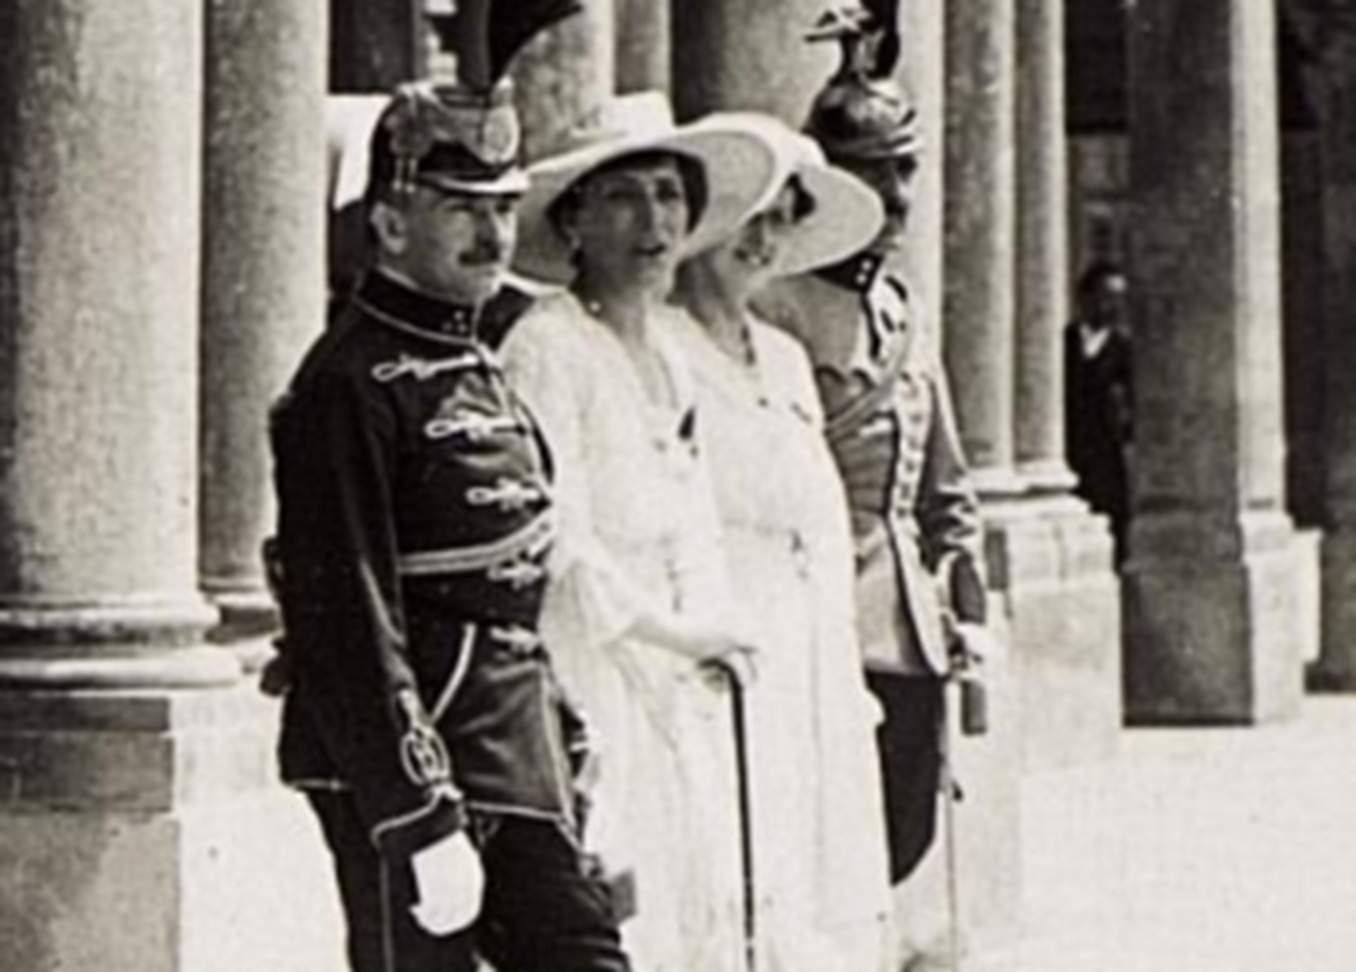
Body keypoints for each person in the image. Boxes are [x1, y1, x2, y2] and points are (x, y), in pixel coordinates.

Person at [267, 69, 630, 972]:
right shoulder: (346, 384)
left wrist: (562, 731)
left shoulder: (477, 355)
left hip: (510, 746)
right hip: (403, 756)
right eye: (460, 208)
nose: (492, 232)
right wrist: (418, 814)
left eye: (502, 208)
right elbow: (348, 614)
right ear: (389, 224)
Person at [498, 92, 778, 972]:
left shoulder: (666, 345)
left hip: (679, 677)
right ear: (575, 220)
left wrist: (712, 628)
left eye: (667, 195)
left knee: (703, 892)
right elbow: (559, 543)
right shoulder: (546, 348)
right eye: (623, 197)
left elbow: (694, 518)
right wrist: (677, 632)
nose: (653, 220)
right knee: (617, 907)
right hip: (591, 671)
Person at [754, 6, 991, 967]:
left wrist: (965, 595)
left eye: (907, 167)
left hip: (911, 634)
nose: (895, 193)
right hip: (817, 626)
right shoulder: (777, 307)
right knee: (825, 870)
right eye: (874, 170)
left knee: (903, 841)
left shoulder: (899, 301)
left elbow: (945, 483)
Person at [671, 113, 894, 972]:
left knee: (809, 862)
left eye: (780, 221)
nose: (760, 242)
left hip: (806, 647)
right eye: (745, 220)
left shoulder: (785, 358)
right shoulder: (663, 350)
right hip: (720, 640)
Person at [1065, 260, 1134, 567]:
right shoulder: (1065, 342)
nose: (1112, 307)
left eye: (1118, 299)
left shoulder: (1122, 347)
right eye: (1106, 297)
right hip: (1069, 446)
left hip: (1107, 450)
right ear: (1086, 298)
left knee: (1113, 515)